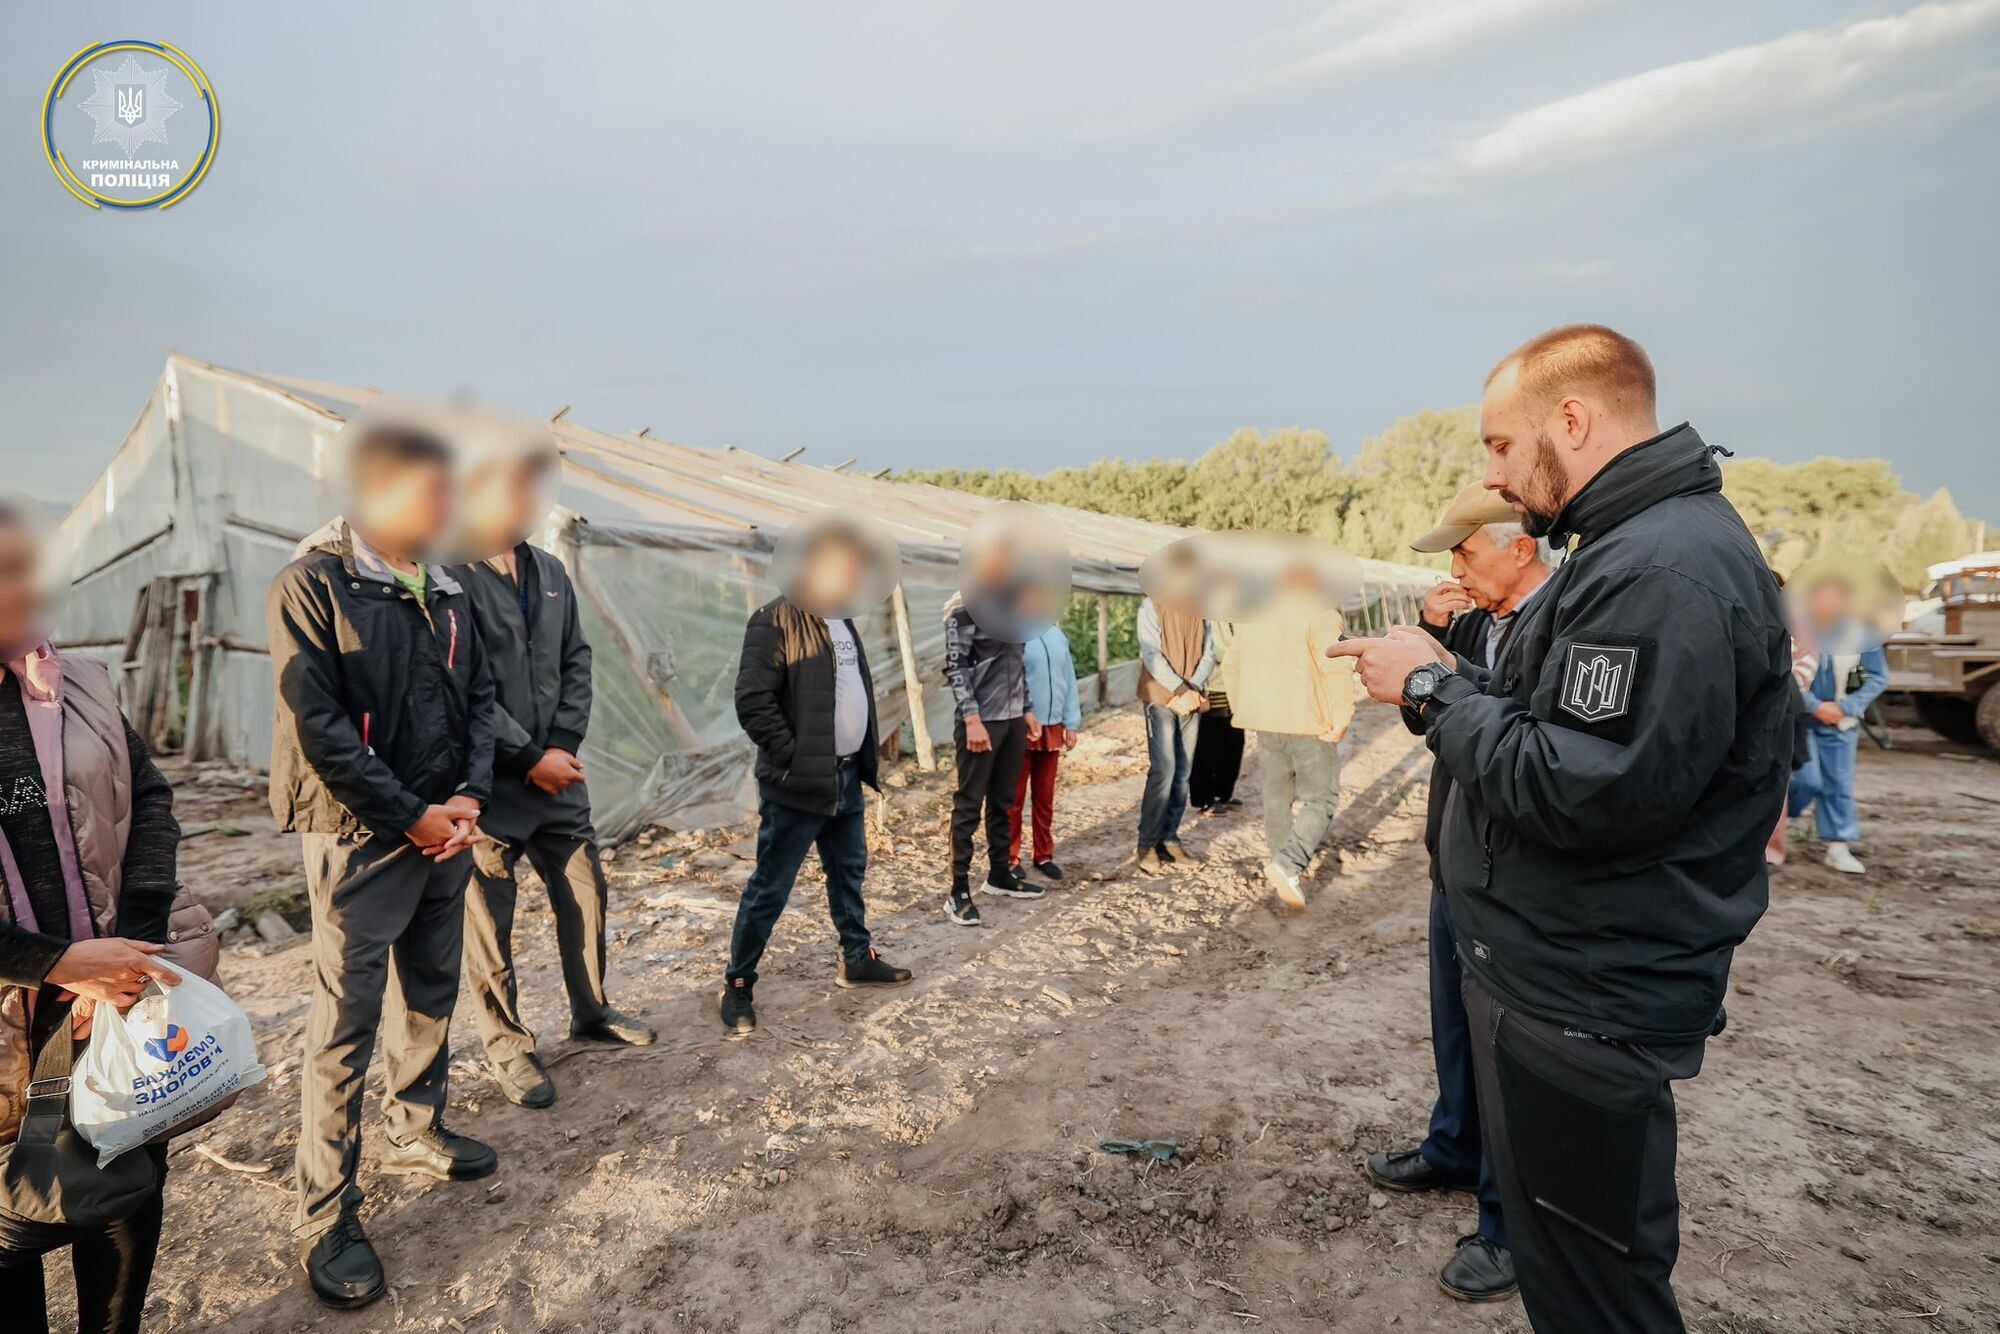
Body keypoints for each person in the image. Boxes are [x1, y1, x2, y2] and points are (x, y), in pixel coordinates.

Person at [1331, 325, 1790, 1333]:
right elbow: (1567, 731)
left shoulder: (1657, 568)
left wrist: (1424, 687)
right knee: (1571, 1268)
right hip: (1565, 969)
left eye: (1500, 444)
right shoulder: (1632, 550)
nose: (1492, 475)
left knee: (1595, 1294)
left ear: (1571, 419)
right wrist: (1449, 677)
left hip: (1587, 989)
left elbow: (1584, 788)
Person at [268, 426, 500, 1310]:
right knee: (344, 1020)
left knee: (434, 985)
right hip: (362, 836)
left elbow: (481, 698)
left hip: (446, 829)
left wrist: (470, 797)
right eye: (433, 495)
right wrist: (409, 816)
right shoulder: (314, 584)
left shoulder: (448, 587)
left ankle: (415, 1125)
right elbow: (317, 728)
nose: (449, 513)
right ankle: (325, 1211)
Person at [1364, 483, 1551, 1304]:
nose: (1455, 568)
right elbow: (1442, 723)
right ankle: (1453, 1147)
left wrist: (1436, 675)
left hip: (1513, 881)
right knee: (1457, 1029)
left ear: (1521, 548)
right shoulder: (1487, 621)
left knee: (1511, 1057)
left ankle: (1513, 1228)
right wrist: (1435, 648)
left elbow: (1533, 755)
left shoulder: (1566, 626)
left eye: (1466, 552)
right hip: (1461, 863)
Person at [0, 500, 184, 1334]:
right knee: (13, 1212)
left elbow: (148, 799)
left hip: (106, 997)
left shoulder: (81, 682)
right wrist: (59, 964)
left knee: (122, 1177)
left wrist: (127, 952)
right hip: (20, 1002)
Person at [451, 453, 655, 1112]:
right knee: (490, 921)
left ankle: (591, 1009)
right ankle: (508, 1046)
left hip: (557, 779)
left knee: (585, 894)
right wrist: (526, 755)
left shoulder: (549, 572)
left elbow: (578, 659)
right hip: (487, 784)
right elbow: (463, 688)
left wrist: (561, 747)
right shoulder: (449, 574)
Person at [724, 525, 912, 1036]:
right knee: (771, 887)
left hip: (846, 779)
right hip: (797, 784)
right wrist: (797, 757)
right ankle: (738, 985)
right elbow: (753, 704)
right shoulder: (774, 620)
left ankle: (857, 958)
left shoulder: (843, 620)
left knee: (848, 872)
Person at [1217, 562, 1353, 910]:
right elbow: (1335, 665)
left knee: (1276, 798)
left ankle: (1282, 867)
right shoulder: (1321, 615)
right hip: (1310, 722)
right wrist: (1341, 716)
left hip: (1267, 722)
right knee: (1321, 799)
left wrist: (1243, 706)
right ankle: (1287, 864)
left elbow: (1230, 664)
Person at [942, 589, 1041, 924]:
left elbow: (1018, 664)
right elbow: (956, 667)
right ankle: (957, 892)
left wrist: (1026, 710)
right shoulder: (964, 610)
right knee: (969, 806)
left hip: (1011, 721)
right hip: (981, 722)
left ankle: (999, 874)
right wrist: (972, 719)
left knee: (1005, 801)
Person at [1787, 572, 1888, 875]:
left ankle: (1837, 847)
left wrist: (1846, 707)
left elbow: (1878, 677)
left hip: (1841, 721)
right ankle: (1779, 825)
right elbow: (1787, 674)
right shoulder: (1797, 628)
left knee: (1838, 785)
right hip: (1801, 718)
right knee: (1803, 780)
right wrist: (1816, 707)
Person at [1133, 557, 1216, 875]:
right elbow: (1151, 654)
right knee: (1164, 771)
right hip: (1162, 699)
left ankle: (1169, 838)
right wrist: (1180, 691)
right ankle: (1147, 843)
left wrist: (1192, 691)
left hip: (1191, 698)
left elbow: (1210, 651)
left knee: (1183, 772)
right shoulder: (1151, 606)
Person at [1007, 620, 1082, 884]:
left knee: (1044, 796)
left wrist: (1071, 723)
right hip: (1022, 726)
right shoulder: (1013, 634)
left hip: (1053, 726)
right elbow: (1009, 680)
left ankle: (1043, 855)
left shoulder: (1057, 635)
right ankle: (1010, 857)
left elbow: (1069, 680)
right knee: (1013, 798)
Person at [1187, 621, 1244, 813]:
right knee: (1209, 745)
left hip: (1235, 689)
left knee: (1234, 743)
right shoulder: (1209, 618)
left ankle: (1224, 793)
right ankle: (1204, 798)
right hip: (1213, 688)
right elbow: (1217, 651)